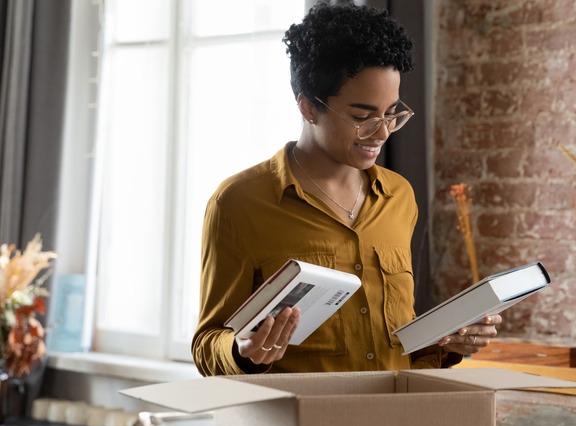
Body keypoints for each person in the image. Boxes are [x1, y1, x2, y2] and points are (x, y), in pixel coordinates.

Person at [191, 2, 502, 376]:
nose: (383, 132)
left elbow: (397, 347)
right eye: (361, 117)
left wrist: (446, 342)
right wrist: (242, 351)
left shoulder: (399, 197)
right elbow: (207, 345)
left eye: (391, 113)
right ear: (307, 107)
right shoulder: (240, 203)